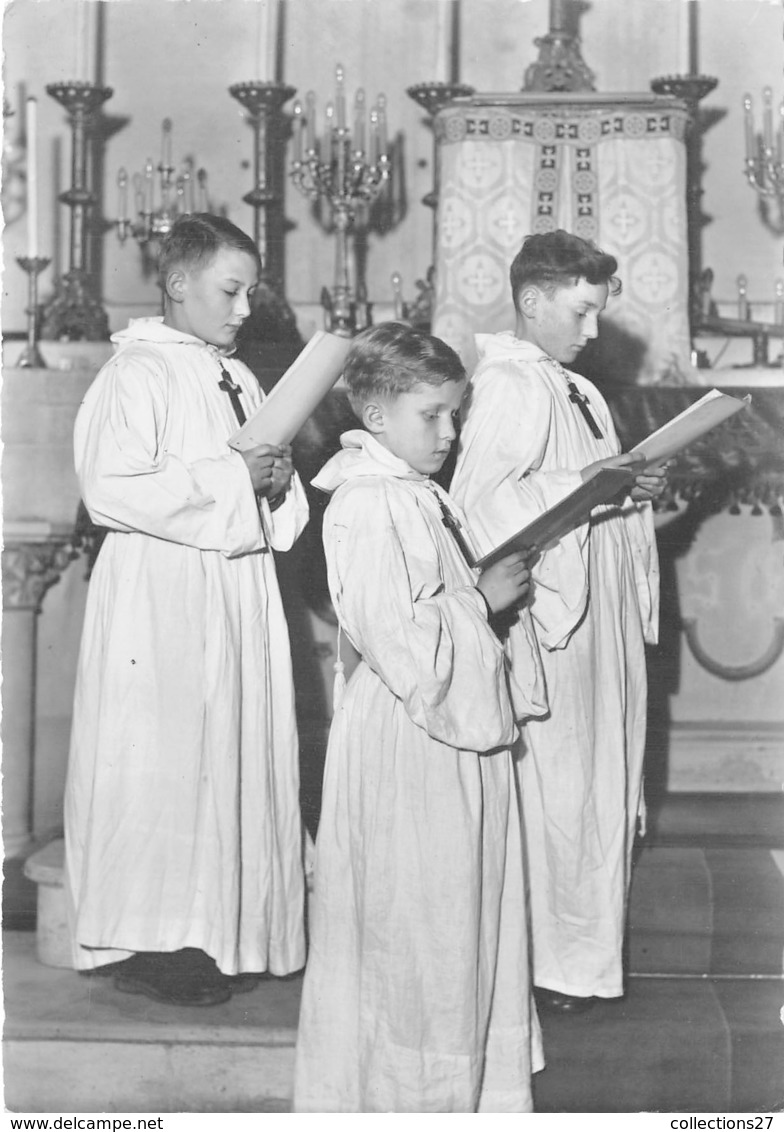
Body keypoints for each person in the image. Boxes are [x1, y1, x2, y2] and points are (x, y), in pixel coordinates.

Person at [293, 322, 547, 1113]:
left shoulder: (411, 493)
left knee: (456, 928)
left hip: (447, 735)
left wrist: (474, 593)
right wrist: (484, 597)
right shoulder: (368, 504)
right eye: (431, 415)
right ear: (375, 416)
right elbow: (406, 647)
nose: (450, 432)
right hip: (414, 737)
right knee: (420, 936)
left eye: (455, 414)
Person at [64, 214, 309, 1006]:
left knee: (227, 752)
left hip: (232, 588)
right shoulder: (136, 374)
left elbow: (264, 485)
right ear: (177, 284)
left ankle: (230, 928)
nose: (244, 309)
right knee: (163, 766)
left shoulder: (232, 373)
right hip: (162, 597)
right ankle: (154, 942)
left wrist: (273, 481)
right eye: (231, 290)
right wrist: (239, 480)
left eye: (250, 292)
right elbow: (111, 490)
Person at [450, 229, 667, 1015]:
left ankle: (582, 960)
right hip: (557, 619)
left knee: (601, 785)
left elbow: (582, 489)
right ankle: (553, 966)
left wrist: (629, 488)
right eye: (580, 312)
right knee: (566, 790)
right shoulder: (510, 384)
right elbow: (480, 508)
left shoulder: (573, 385)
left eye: (599, 314)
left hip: (599, 614)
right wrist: (588, 482)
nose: (592, 330)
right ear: (532, 301)